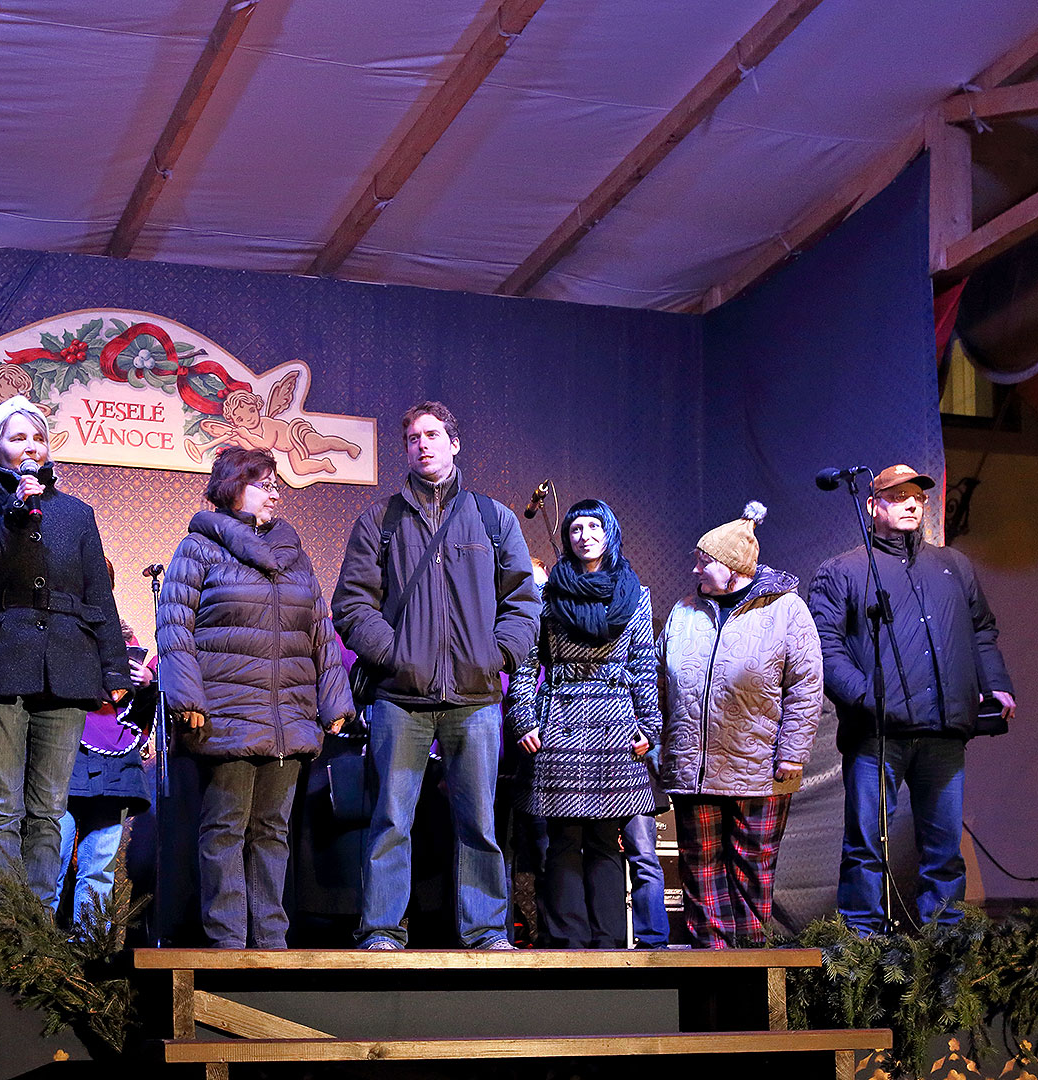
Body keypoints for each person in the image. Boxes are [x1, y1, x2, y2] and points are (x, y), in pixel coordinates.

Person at [332, 401, 539, 951]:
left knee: (479, 824)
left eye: (432, 435)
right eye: (412, 438)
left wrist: (496, 656)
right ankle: (380, 930)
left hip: (474, 696)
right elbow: (352, 605)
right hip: (401, 697)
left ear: (453, 442)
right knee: (390, 823)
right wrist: (397, 656)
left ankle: (488, 931)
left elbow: (523, 601)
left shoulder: (493, 518)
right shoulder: (379, 521)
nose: (422, 444)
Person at [158, 448, 352, 948]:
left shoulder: (295, 554)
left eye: (275, 484)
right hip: (224, 712)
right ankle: (226, 942)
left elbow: (319, 630)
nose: (274, 492)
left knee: (272, 831)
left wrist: (334, 702)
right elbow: (174, 628)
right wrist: (187, 699)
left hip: (287, 716)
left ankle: (270, 942)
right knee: (224, 827)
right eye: (262, 483)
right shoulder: (199, 548)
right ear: (231, 488)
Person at [809, 465, 1015, 934]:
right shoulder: (843, 570)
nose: (911, 504)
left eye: (918, 497)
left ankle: (944, 951)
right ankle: (861, 948)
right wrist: (867, 698)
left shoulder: (952, 565)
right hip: (877, 733)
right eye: (898, 495)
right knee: (866, 846)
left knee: (944, 851)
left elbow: (982, 627)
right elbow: (825, 644)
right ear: (872, 505)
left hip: (942, 731)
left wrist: (995, 681)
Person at [0, 395, 132, 905]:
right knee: (2, 808)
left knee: (49, 809)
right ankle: (1, 929)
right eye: (18, 438)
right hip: (0, 663)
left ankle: (36, 935)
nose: (31, 447)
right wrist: (12, 519)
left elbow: (99, 593)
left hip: (69, 667)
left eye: (38, 438)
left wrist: (114, 669)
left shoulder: (76, 512)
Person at [658, 501, 822, 947]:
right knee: (700, 871)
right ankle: (710, 964)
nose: (695, 568)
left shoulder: (787, 611)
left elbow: (806, 686)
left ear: (733, 567)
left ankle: (752, 964)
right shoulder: (684, 611)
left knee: (752, 872)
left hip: (759, 768)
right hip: (696, 770)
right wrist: (660, 746)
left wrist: (792, 753)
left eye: (704, 560)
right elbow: (661, 684)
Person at [506, 499, 659, 949]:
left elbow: (644, 663)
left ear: (609, 532)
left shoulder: (634, 594)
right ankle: (568, 944)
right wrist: (523, 718)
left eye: (594, 526)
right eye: (576, 528)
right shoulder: (546, 596)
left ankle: (609, 944)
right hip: (560, 728)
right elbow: (524, 664)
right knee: (563, 839)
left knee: (606, 841)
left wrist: (648, 725)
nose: (584, 535)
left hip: (615, 727)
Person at [57, 563, 157, 929]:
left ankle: (88, 950)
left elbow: (137, 715)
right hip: (65, 753)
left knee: (98, 867)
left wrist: (146, 683)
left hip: (114, 762)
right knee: (52, 859)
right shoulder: (56, 630)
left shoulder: (124, 641)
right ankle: (39, 953)